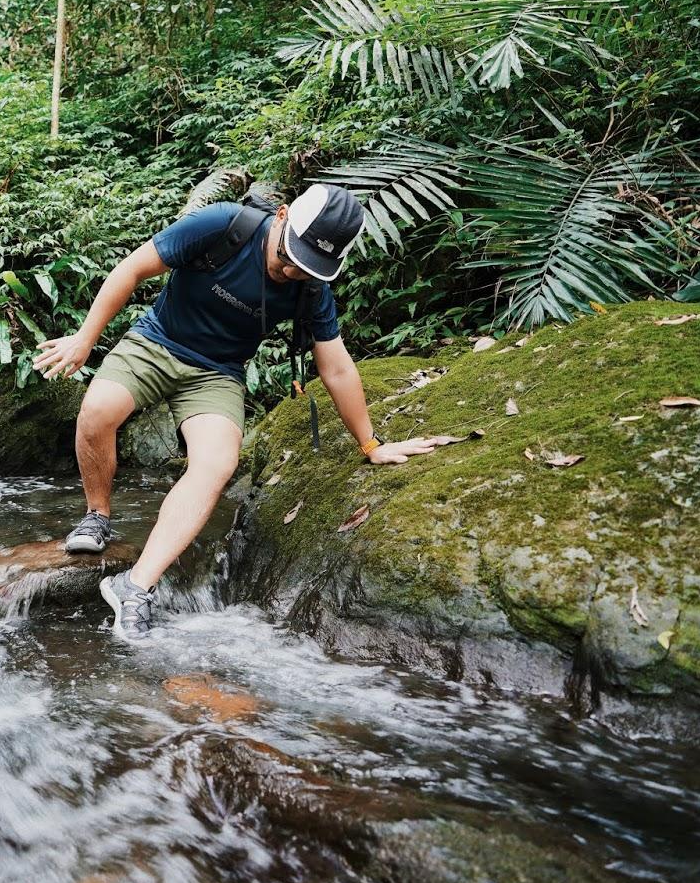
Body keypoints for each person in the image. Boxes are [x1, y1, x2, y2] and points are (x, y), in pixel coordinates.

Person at [31, 182, 435, 640]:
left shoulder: (311, 287)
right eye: (289, 254)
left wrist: (370, 443)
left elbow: (337, 367)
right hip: (157, 342)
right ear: (281, 216)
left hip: (217, 374)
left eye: (306, 266)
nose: (290, 270)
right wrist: (85, 338)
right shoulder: (224, 226)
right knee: (98, 410)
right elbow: (134, 268)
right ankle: (97, 516)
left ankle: (134, 586)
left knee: (219, 462)